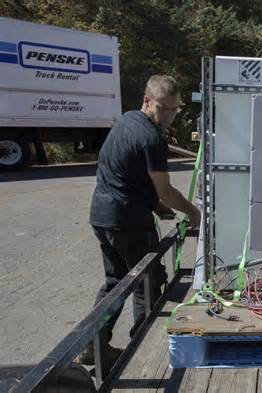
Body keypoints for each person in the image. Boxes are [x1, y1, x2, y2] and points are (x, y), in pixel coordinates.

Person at [80, 75, 201, 367]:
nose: (168, 116)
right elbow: (167, 192)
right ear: (147, 101)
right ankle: (139, 353)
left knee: (115, 282)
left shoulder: (126, 121)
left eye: (174, 109)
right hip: (128, 222)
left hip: (103, 216)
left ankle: (92, 346)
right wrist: (194, 213)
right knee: (147, 282)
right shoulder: (151, 139)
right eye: (163, 108)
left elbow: (129, 175)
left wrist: (155, 206)